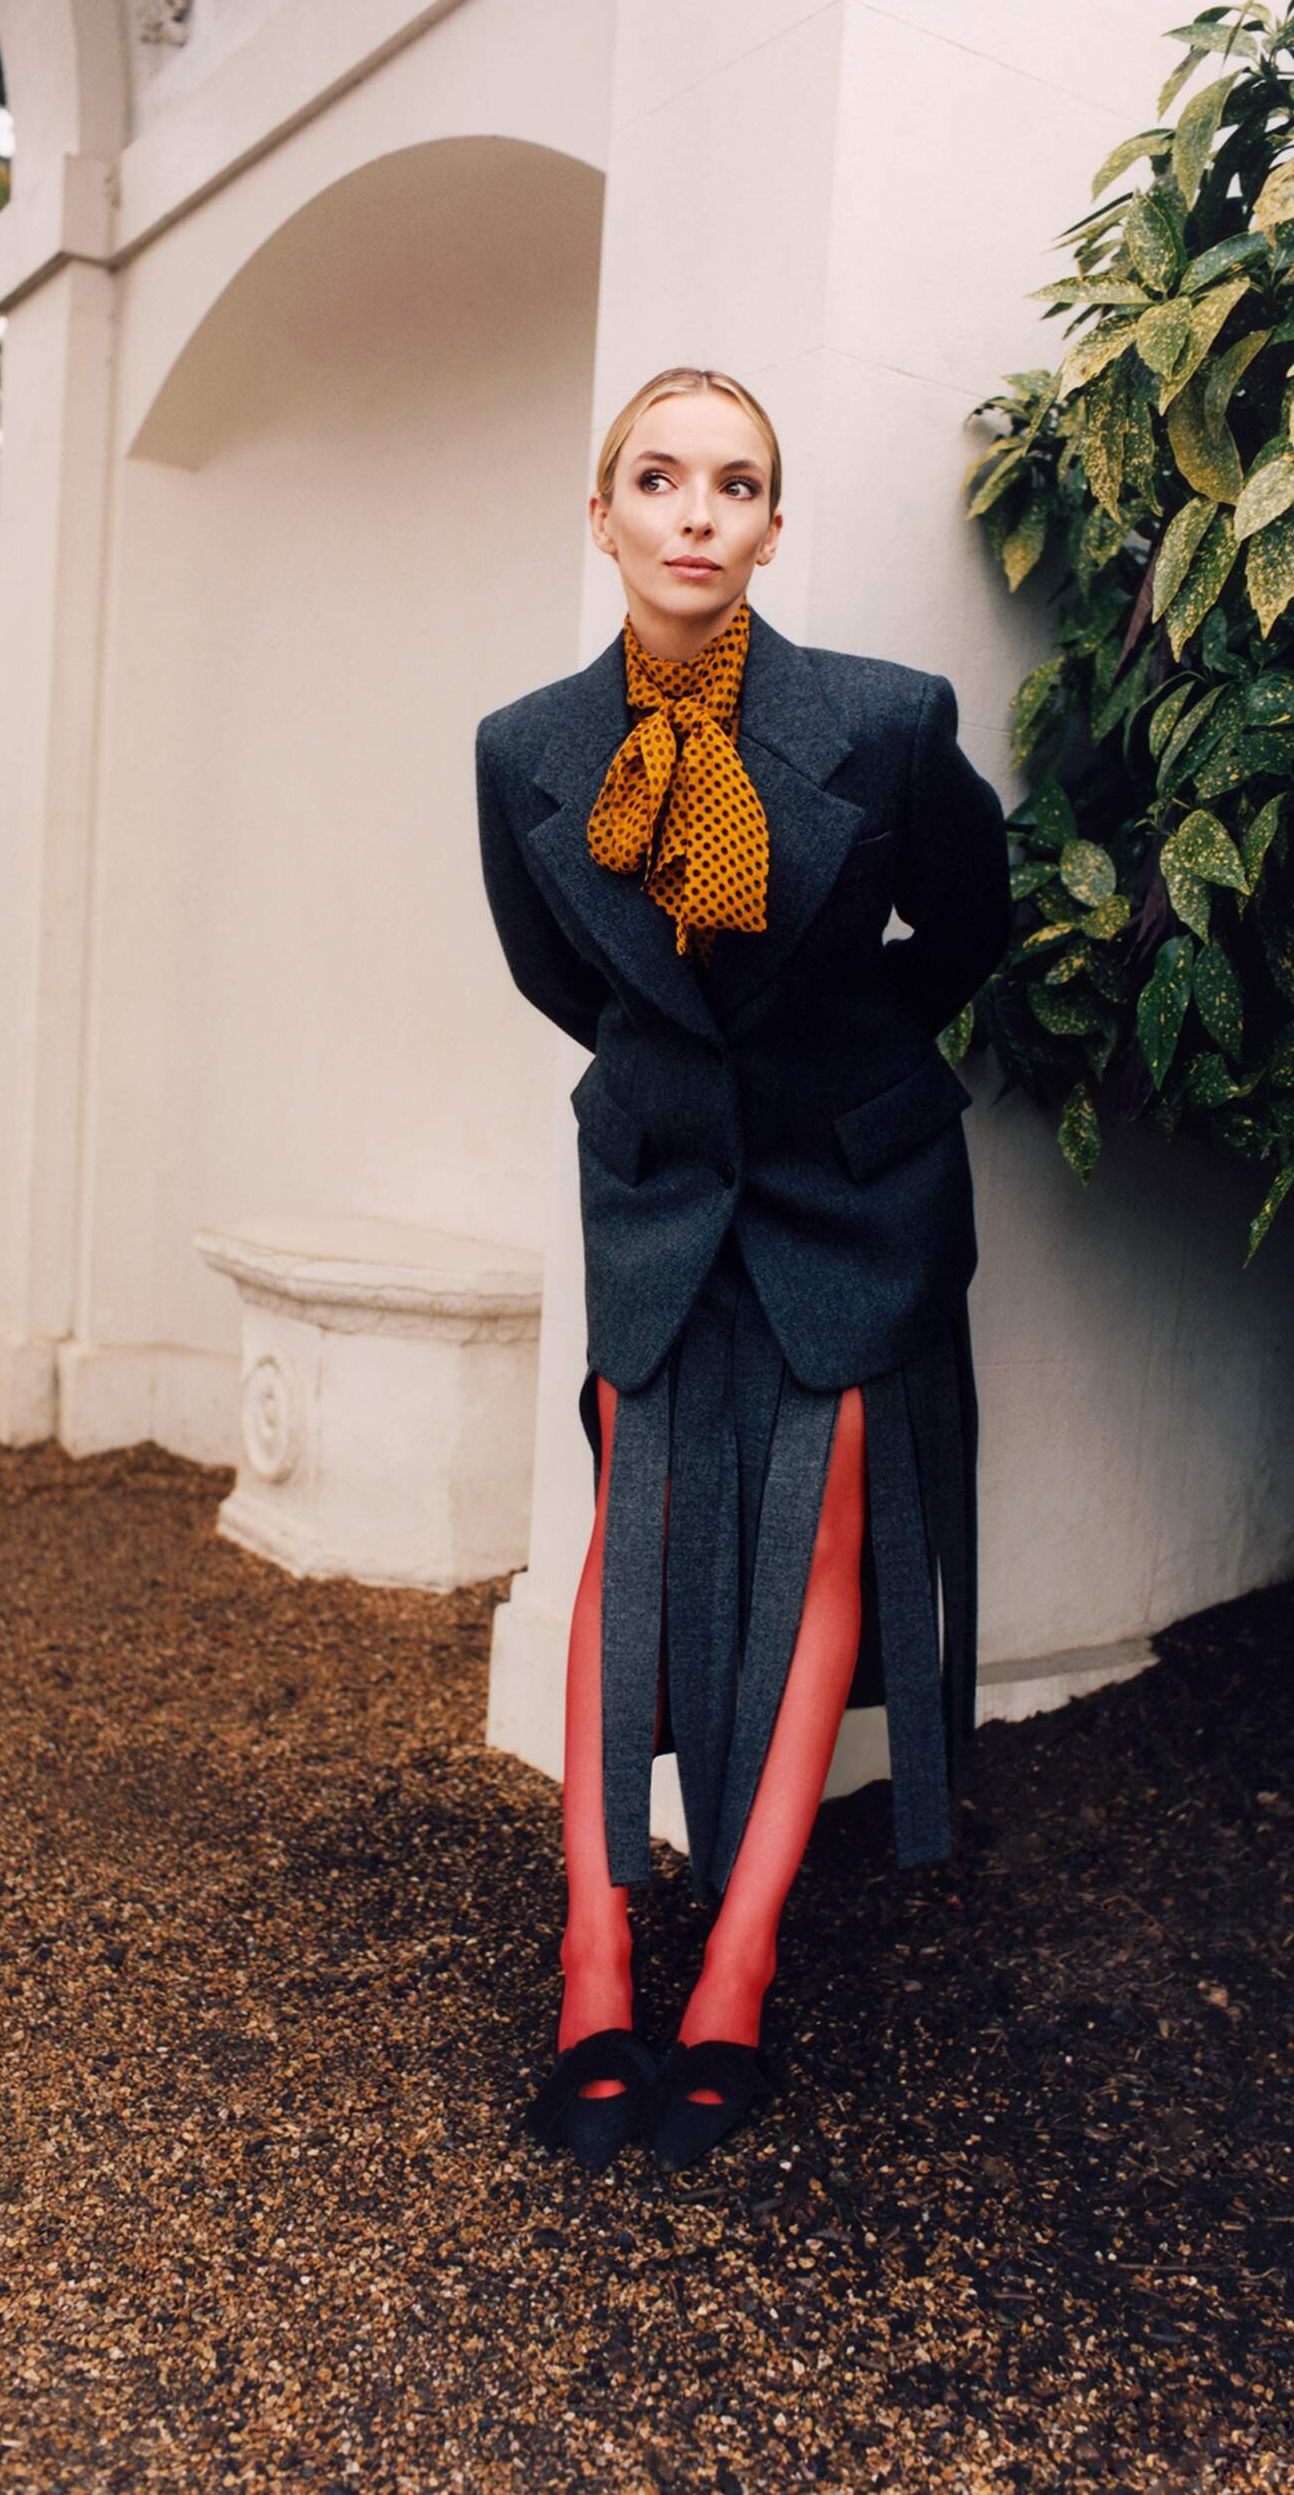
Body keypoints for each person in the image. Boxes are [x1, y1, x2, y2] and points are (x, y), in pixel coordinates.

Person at [475, 365, 1011, 2174]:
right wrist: (692, 1078)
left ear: (774, 528)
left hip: (850, 1180)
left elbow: (972, 924)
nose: (694, 510)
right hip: (658, 1179)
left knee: (823, 1529)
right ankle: (596, 1960)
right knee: (630, 1523)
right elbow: (563, 975)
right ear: (603, 512)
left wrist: (830, 1058)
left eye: (735, 483)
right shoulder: (523, 748)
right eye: (658, 477)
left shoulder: (886, 718)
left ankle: (738, 1968)